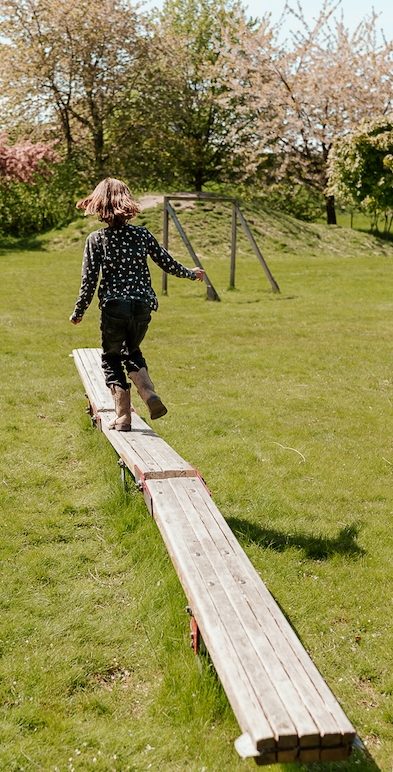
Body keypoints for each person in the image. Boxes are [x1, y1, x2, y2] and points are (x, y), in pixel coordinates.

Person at [70, 178, 204, 431]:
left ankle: (123, 416)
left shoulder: (97, 239)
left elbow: (89, 281)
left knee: (111, 358)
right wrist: (190, 273)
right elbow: (166, 262)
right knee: (132, 351)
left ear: (99, 207)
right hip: (142, 306)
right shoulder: (142, 234)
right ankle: (149, 393)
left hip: (114, 307)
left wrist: (78, 312)